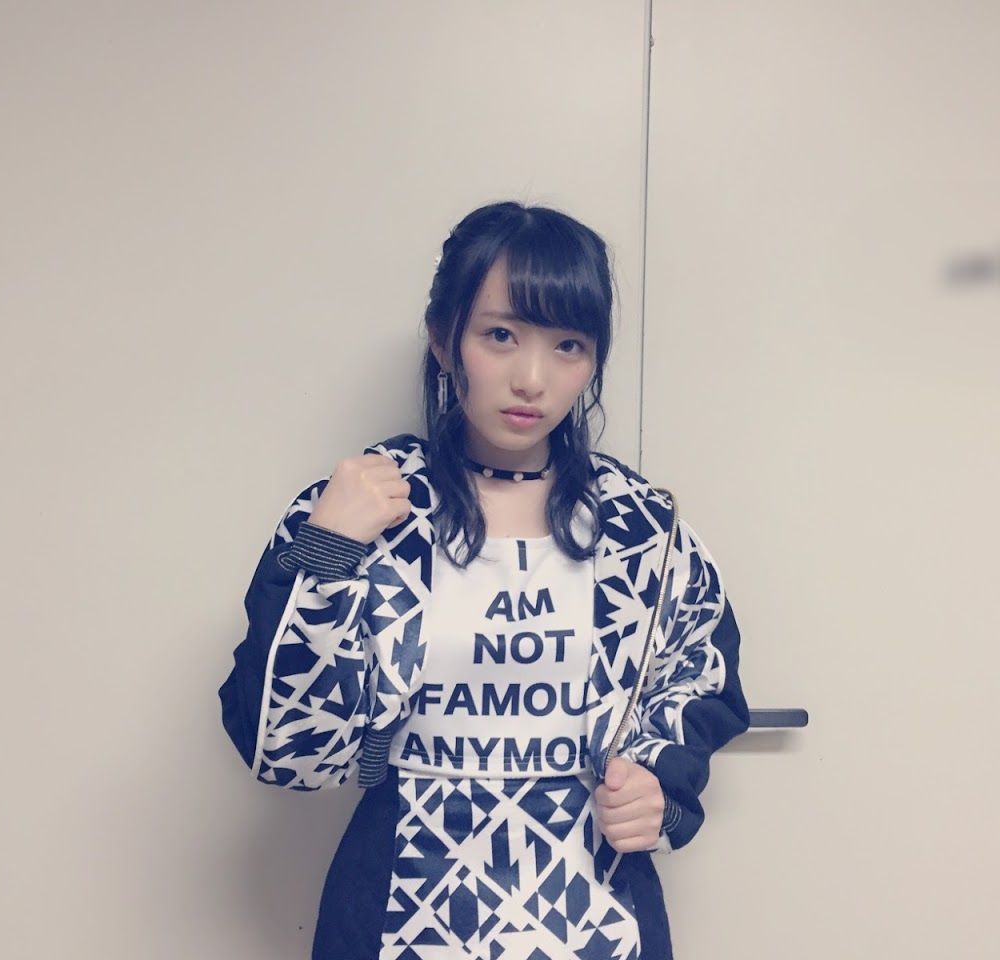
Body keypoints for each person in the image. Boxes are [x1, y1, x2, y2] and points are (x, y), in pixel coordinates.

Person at [218, 200, 751, 960]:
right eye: (501, 335)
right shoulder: (370, 506)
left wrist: (659, 785)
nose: (532, 379)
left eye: (568, 345)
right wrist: (327, 551)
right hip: (403, 905)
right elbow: (289, 752)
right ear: (444, 339)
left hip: (594, 915)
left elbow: (700, 678)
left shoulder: (640, 527)